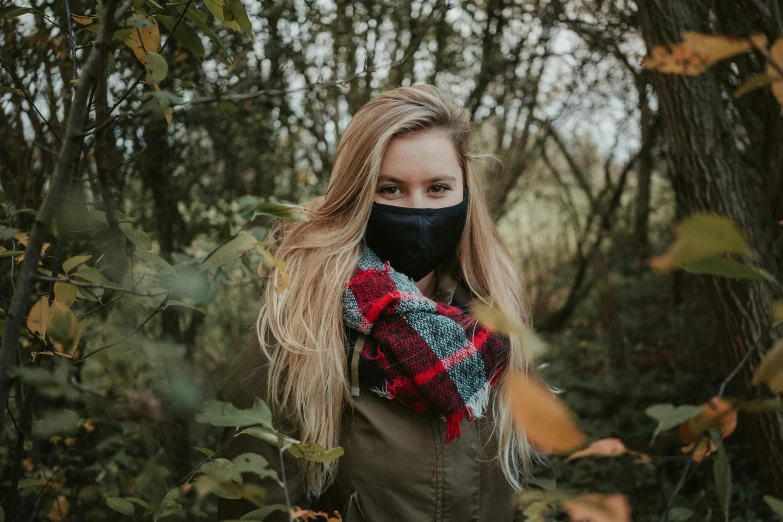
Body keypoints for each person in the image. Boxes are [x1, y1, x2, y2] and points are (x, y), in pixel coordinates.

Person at [217, 84, 554, 521]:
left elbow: (535, 476)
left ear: (465, 195)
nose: (418, 211)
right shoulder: (299, 325)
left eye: (438, 188)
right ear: (358, 195)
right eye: (391, 190)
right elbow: (258, 505)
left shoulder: (496, 312)